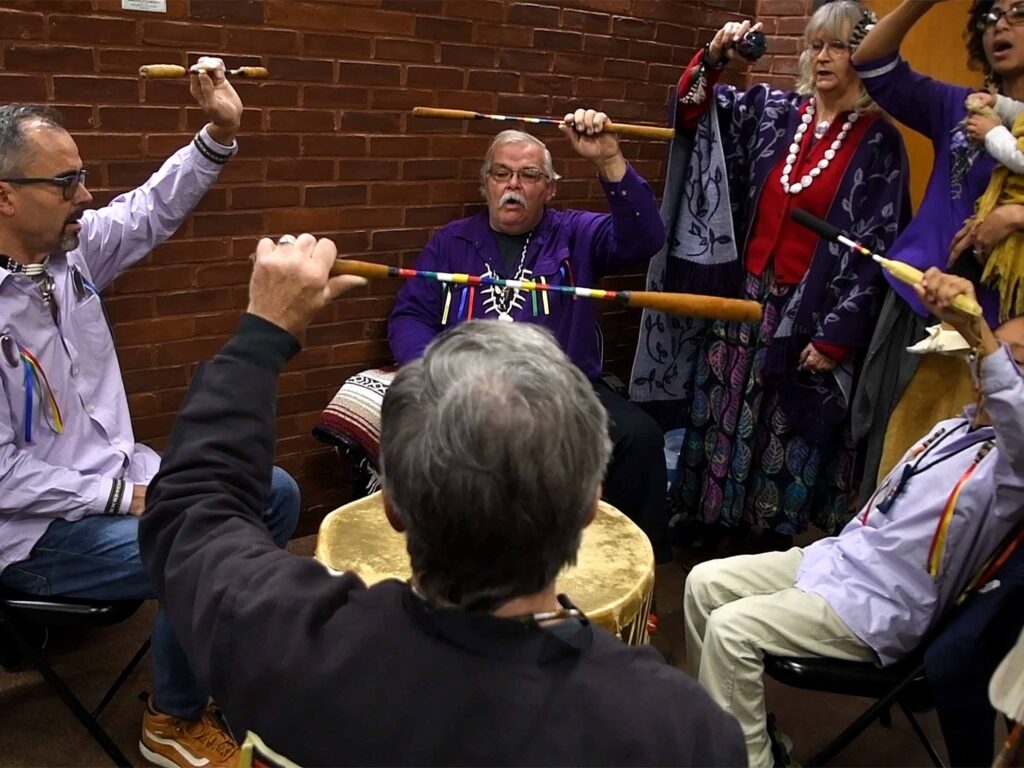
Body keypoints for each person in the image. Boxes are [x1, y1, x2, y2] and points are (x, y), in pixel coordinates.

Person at [136, 232, 747, 766]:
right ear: (592, 507)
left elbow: (190, 508)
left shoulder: (280, 636)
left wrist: (265, 330)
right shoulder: (678, 730)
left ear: (392, 507)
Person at [0, 60, 300, 768]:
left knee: (274, 492)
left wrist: (217, 133)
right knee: (202, 543)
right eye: (66, 183)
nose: (86, 195)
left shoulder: (69, 255)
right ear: (5, 197)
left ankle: (204, 665)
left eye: (81, 177)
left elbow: (150, 208)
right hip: (37, 536)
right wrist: (126, 496)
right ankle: (174, 717)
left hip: (125, 485)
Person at [683, 269, 1024, 768]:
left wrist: (980, 331)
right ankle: (725, 736)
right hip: (840, 562)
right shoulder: (956, 428)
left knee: (732, 630)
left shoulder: (1013, 469)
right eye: (995, 353)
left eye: (1016, 361)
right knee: (703, 583)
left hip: (882, 604)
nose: (992, 364)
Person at [631, 2, 909, 551]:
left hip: (812, 307)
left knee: (782, 424)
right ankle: (711, 520)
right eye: (815, 44)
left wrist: (837, 336)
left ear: (865, 55)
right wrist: (715, 58)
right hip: (745, 295)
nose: (823, 56)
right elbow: (692, 113)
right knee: (721, 408)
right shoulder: (775, 112)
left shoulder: (879, 141)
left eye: (839, 46)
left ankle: (764, 540)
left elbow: (879, 244)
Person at [388, 109, 672, 561]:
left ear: (550, 188)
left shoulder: (575, 233)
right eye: (501, 173)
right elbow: (410, 315)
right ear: (485, 184)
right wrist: (436, 374)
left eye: (529, 175)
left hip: (561, 389)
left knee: (640, 437)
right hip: (471, 386)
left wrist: (608, 159)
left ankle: (629, 567)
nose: (513, 185)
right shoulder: (451, 241)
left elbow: (645, 239)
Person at [850, 0, 1024, 504]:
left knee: (969, 486)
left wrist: (1014, 216)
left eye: (1019, 13)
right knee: (896, 467)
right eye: (991, 16)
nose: (1001, 25)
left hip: (1003, 330)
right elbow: (871, 61)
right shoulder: (961, 108)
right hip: (921, 302)